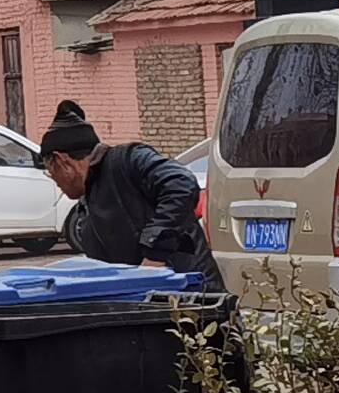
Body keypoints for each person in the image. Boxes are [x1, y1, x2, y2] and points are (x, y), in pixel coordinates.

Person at [38, 101, 215, 285]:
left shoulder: (128, 160)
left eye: (51, 173)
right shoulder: (86, 204)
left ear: (62, 161)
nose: (56, 183)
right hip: (148, 300)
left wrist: (156, 252)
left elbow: (181, 183)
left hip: (192, 293)